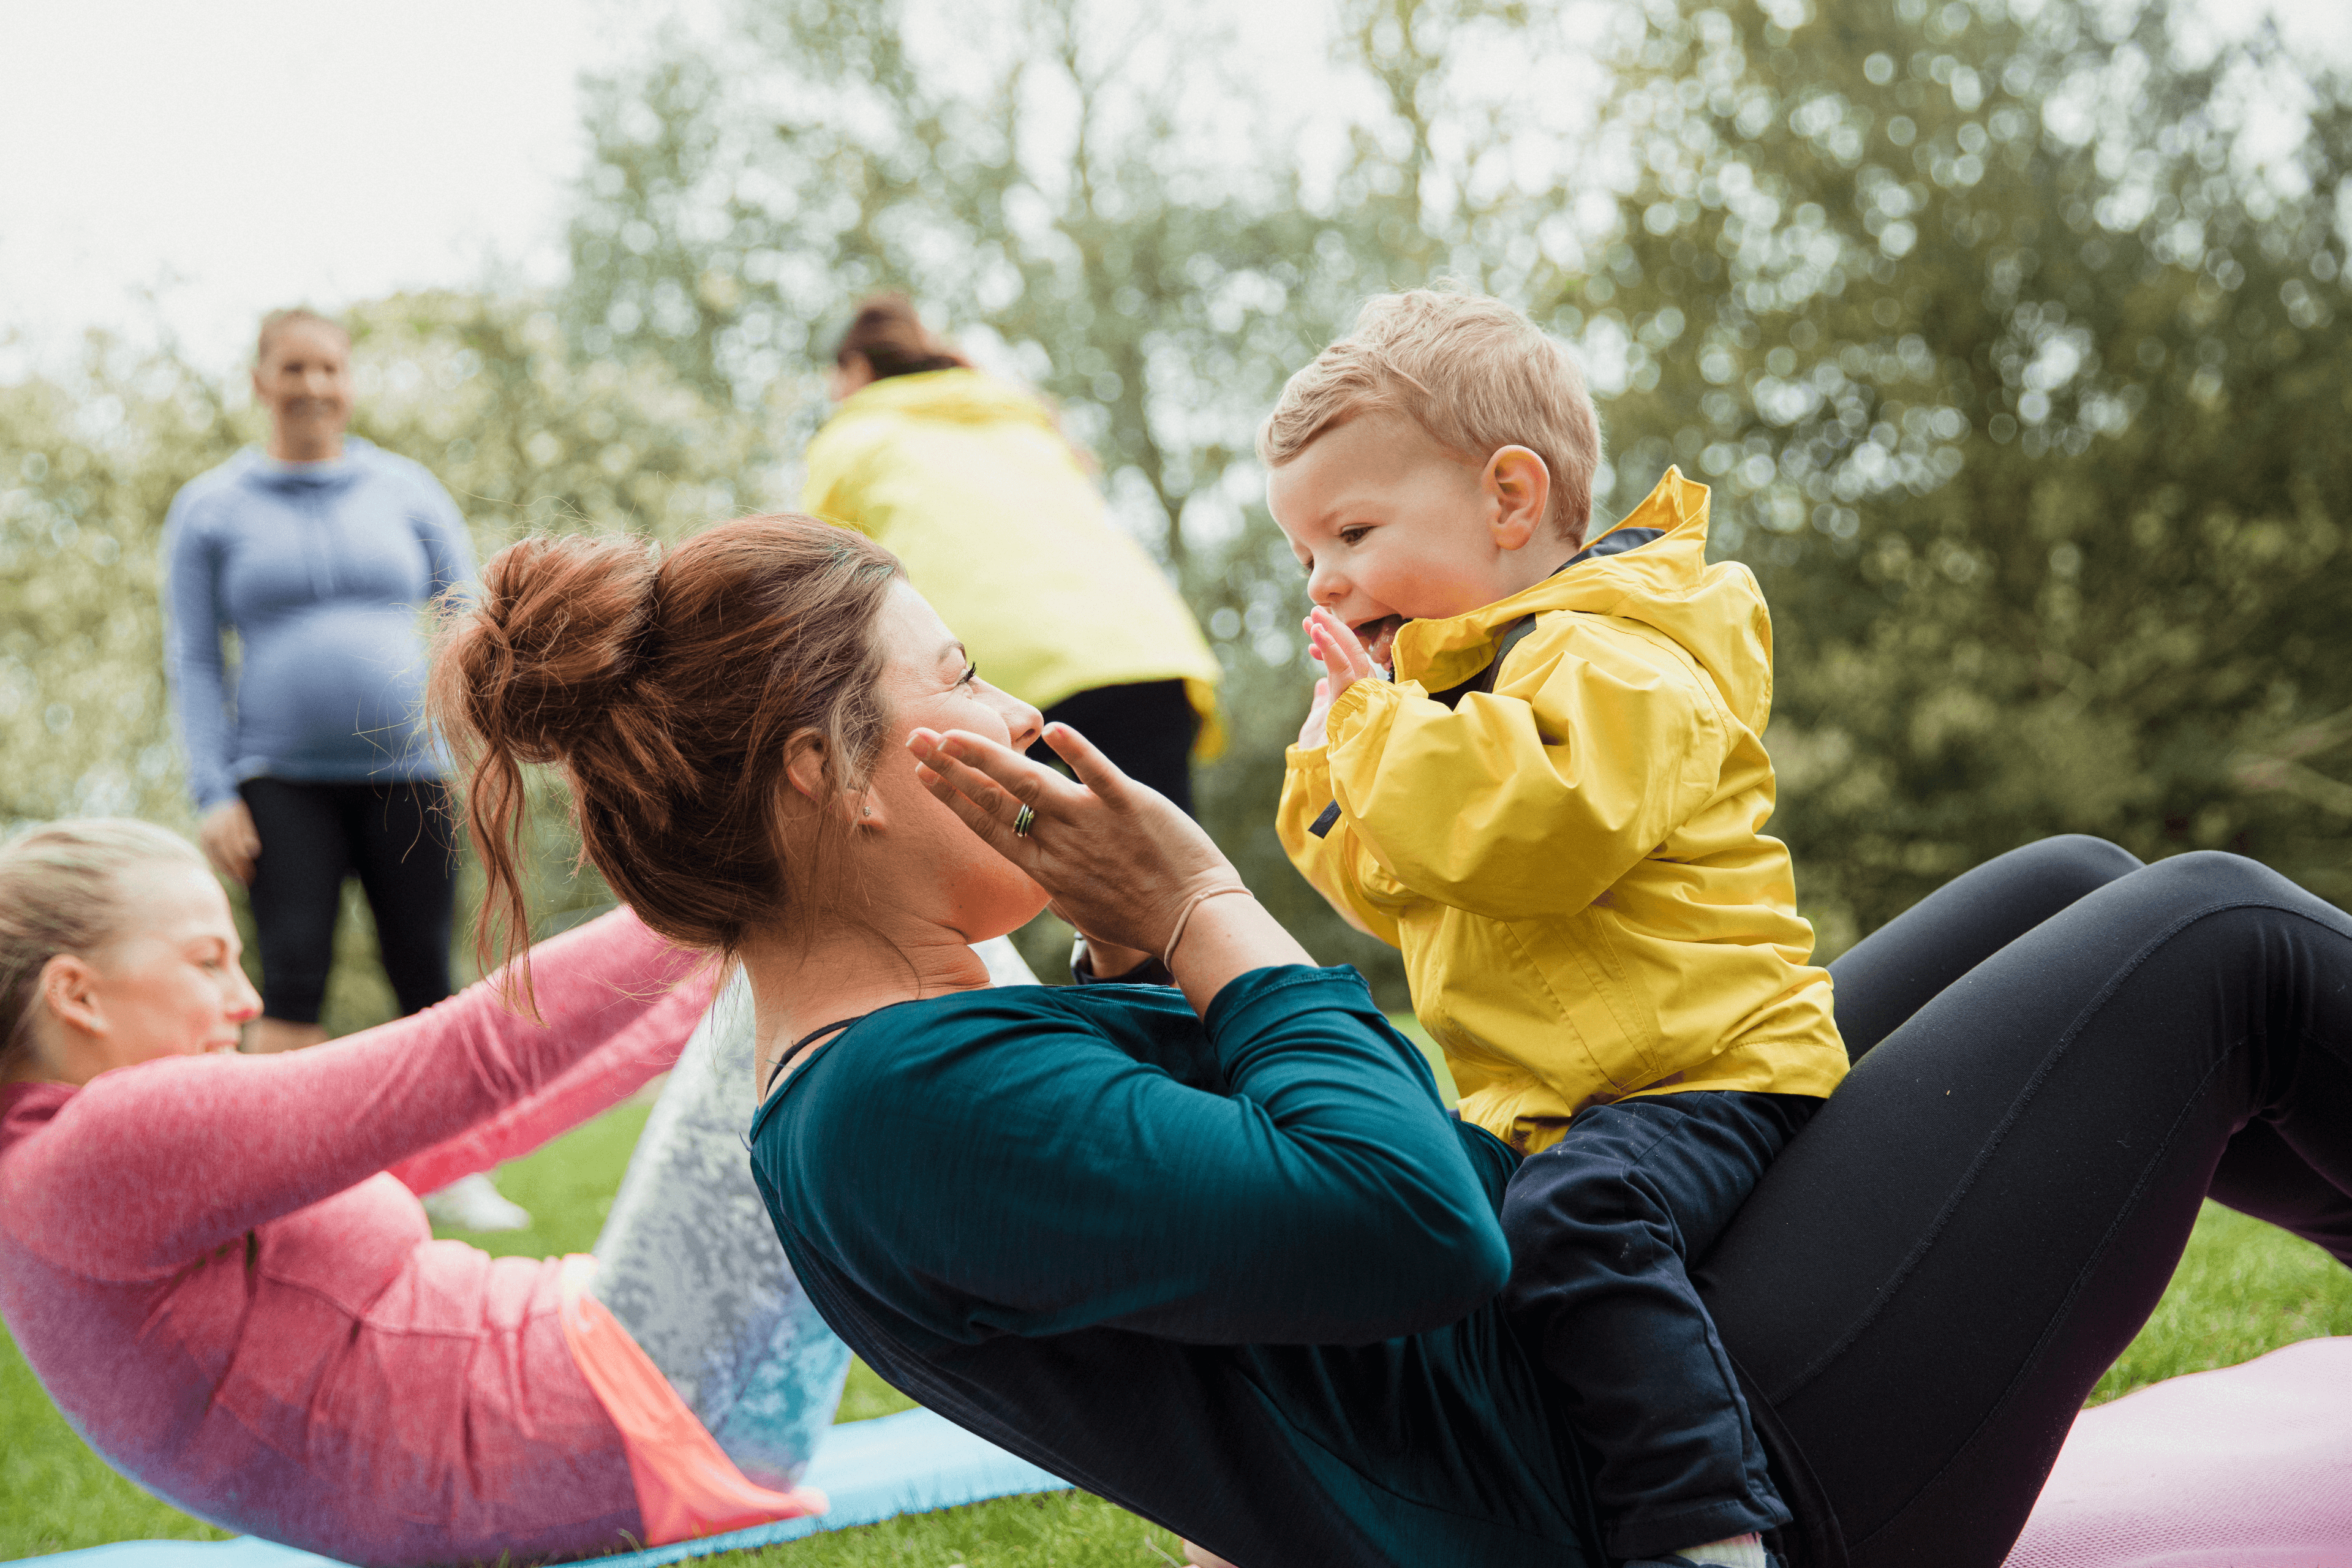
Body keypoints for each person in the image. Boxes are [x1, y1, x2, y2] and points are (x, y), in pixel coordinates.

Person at [434, 509, 2352, 1568]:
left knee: (2066, 885)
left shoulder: (924, 1050)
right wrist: (1205, 908)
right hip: (1671, 1480)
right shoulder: (891, 1114)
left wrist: (1147, 943)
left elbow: (1262, 1303)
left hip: (1608, 1353)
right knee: (2215, 941)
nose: (1019, 715)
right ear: (830, 777)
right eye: (959, 676)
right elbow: (1413, 1215)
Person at [1265, 290, 1845, 1566]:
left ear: (1510, 500)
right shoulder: (1453, 699)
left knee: (1578, 1221)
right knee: (1458, 1224)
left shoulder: (1608, 651)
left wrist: (1380, 733)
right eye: (1305, 554)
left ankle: (1706, 1531)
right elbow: (1401, 887)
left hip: (1708, 1071)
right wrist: (1330, 764)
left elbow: (1539, 831)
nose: (1325, 579)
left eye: (1352, 532)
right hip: (1574, 1099)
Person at [0, 819, 861, 1566]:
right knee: (854, 937)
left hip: (642, 1416)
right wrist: (722, 884)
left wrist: (718, 975)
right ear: (76, 994)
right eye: (207, 962)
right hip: (632, 1420)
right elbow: (473, 1054)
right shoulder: (101, 1149)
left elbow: (478, 1126)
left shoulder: (61, 1186)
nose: (246, 998)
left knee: (823, 949)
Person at [160, 307, 523, 1229]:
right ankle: (278, 1190)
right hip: (278, 782)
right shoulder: (211, 507)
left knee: (425, 973)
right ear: (260, 380)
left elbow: (470, 619)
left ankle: (456, 1172)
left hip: (410, 772)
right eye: (294, 368)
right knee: (289, 973)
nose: (313, 384)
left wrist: (482, 744)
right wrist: (214, 791)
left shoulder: (405, 489)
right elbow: (195, 659)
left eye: (328, 367)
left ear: (349, 381)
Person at [802, 293, 1223, 823]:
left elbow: (819, 581)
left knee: (992, 858)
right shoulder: (1021, 417)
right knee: (1167, 858)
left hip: (1003, 678)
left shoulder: (849, 438)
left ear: (857, 368)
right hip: (1143, 652)